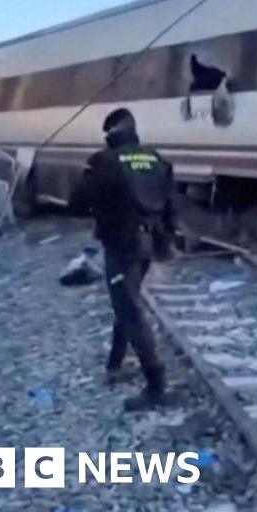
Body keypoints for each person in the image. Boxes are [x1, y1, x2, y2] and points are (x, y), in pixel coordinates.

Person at [69, 108, 176, 411]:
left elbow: (75, 205)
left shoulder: (103, 162)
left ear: (110, 135)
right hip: (149, 243)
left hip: (121, 244)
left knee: (128, 309)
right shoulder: (156, 158)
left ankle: (156, 386)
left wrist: (98, 205)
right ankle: (115, 364)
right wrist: (168, 241)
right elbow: (171, 204)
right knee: (126, 300)